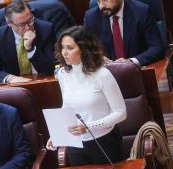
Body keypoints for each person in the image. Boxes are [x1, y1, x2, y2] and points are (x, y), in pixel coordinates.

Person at [46, 26, 127, 166]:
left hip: (105, 141)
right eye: (62, 47)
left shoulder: (103, 75)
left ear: (84, 49)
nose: (64, 52)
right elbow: (67, 107)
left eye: (70, 48)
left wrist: (89, 127)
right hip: (76, 144)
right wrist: (57, 134)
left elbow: (121, 113)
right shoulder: (63, 74)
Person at [0, 0, 55, 84]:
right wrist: (10, 78)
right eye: (21, 25)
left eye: (30, 20)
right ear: (9, 23)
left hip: (43, 82)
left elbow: (50, 69)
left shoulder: (46, 30)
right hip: (14, 86)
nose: (28, 27)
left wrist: (31, 49)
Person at [84, 0, 166, 66]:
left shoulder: (141, 11)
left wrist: (131, 62)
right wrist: (97, 58)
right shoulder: (91, 17)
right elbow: (87, 50)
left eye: (105, 0)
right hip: (108, 75)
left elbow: (157, 48)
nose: (101, 6)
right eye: (98, 1)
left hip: (139, 73)